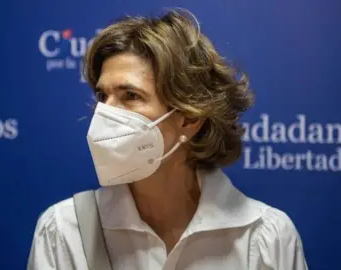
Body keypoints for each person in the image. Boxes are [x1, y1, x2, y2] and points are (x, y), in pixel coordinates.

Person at [27, 9, 308, 270]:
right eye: (102, 96)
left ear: (189, 117)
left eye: (130, 96)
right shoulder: (64, 231)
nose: (104, 114)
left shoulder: (264, 238)